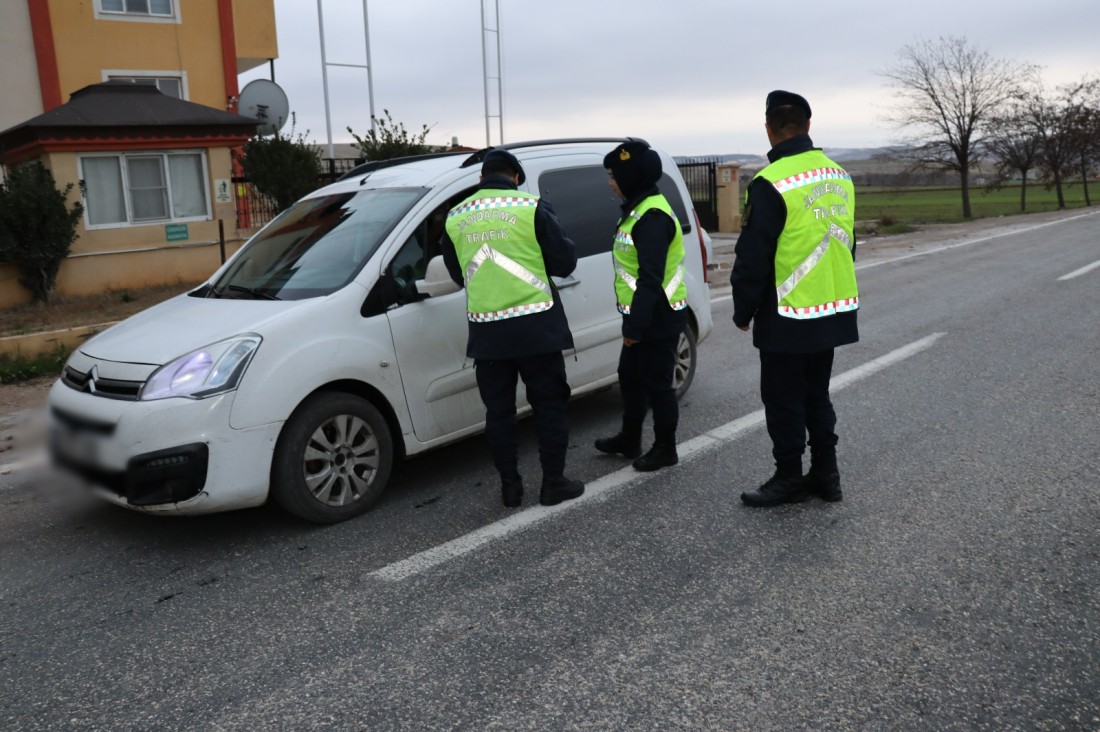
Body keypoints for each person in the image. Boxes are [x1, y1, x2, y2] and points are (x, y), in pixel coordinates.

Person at [731, 90, 860, 507]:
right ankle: (827, 474)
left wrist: (743, 307)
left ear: (770, 129)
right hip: (832, 305)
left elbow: (754, 253)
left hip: (788, 311)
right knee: (816, 393)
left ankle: (789, 477)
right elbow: (848, 242)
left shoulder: (771, 182)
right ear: (808, 125)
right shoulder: (839, 175)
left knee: (783, 399)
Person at [441, 148, 585, 508]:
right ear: (516, 177)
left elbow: (459, 275)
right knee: (549, 406)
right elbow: (565, 262)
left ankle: (510, 487)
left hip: (488, 335)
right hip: (537, 328)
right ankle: (553, 483)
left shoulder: (456, 217)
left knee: (499, 413)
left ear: (481, 179)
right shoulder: (530, 207)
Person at [594, 140, 688, 472]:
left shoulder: (651, 217)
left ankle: (665, 448)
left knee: (658, 384)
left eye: (613, 175)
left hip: (656, 315)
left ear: (630, 176)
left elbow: (650, 277)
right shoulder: (638, 209)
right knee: (630, 378)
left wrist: (635, 327)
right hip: (643, 313)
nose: (610, 182)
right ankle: (630, 438)